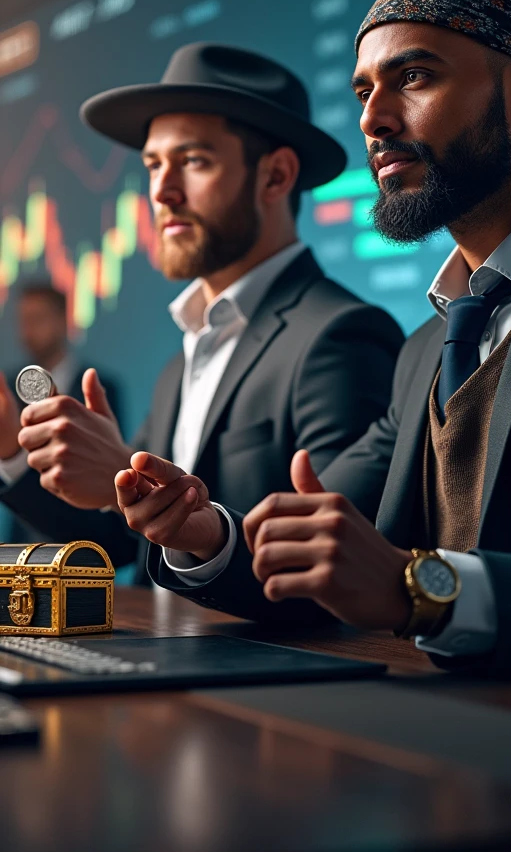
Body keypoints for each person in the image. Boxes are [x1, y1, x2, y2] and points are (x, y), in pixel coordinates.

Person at [125, 0, 511, 682]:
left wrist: (419, 591)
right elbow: (320, 553)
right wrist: (205, 536)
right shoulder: (427, 347)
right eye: (364, 91)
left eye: (414, 78)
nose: (372, 119)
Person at [0, 43, 404, 583]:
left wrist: (126, 470)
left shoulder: (342, 336)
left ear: (275, 176)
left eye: (193, 161)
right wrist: (10, 451)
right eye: (153, 165)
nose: (162, 191)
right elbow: (123, 543)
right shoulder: (183, 359)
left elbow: (337, 565)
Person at [0, 281, 122, 543]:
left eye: (38, 319)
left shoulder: (101, 387)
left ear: (62, 321)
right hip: (23, 536)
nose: (27, 331)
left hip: (85, 538)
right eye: (24, 321)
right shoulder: (8, 389)